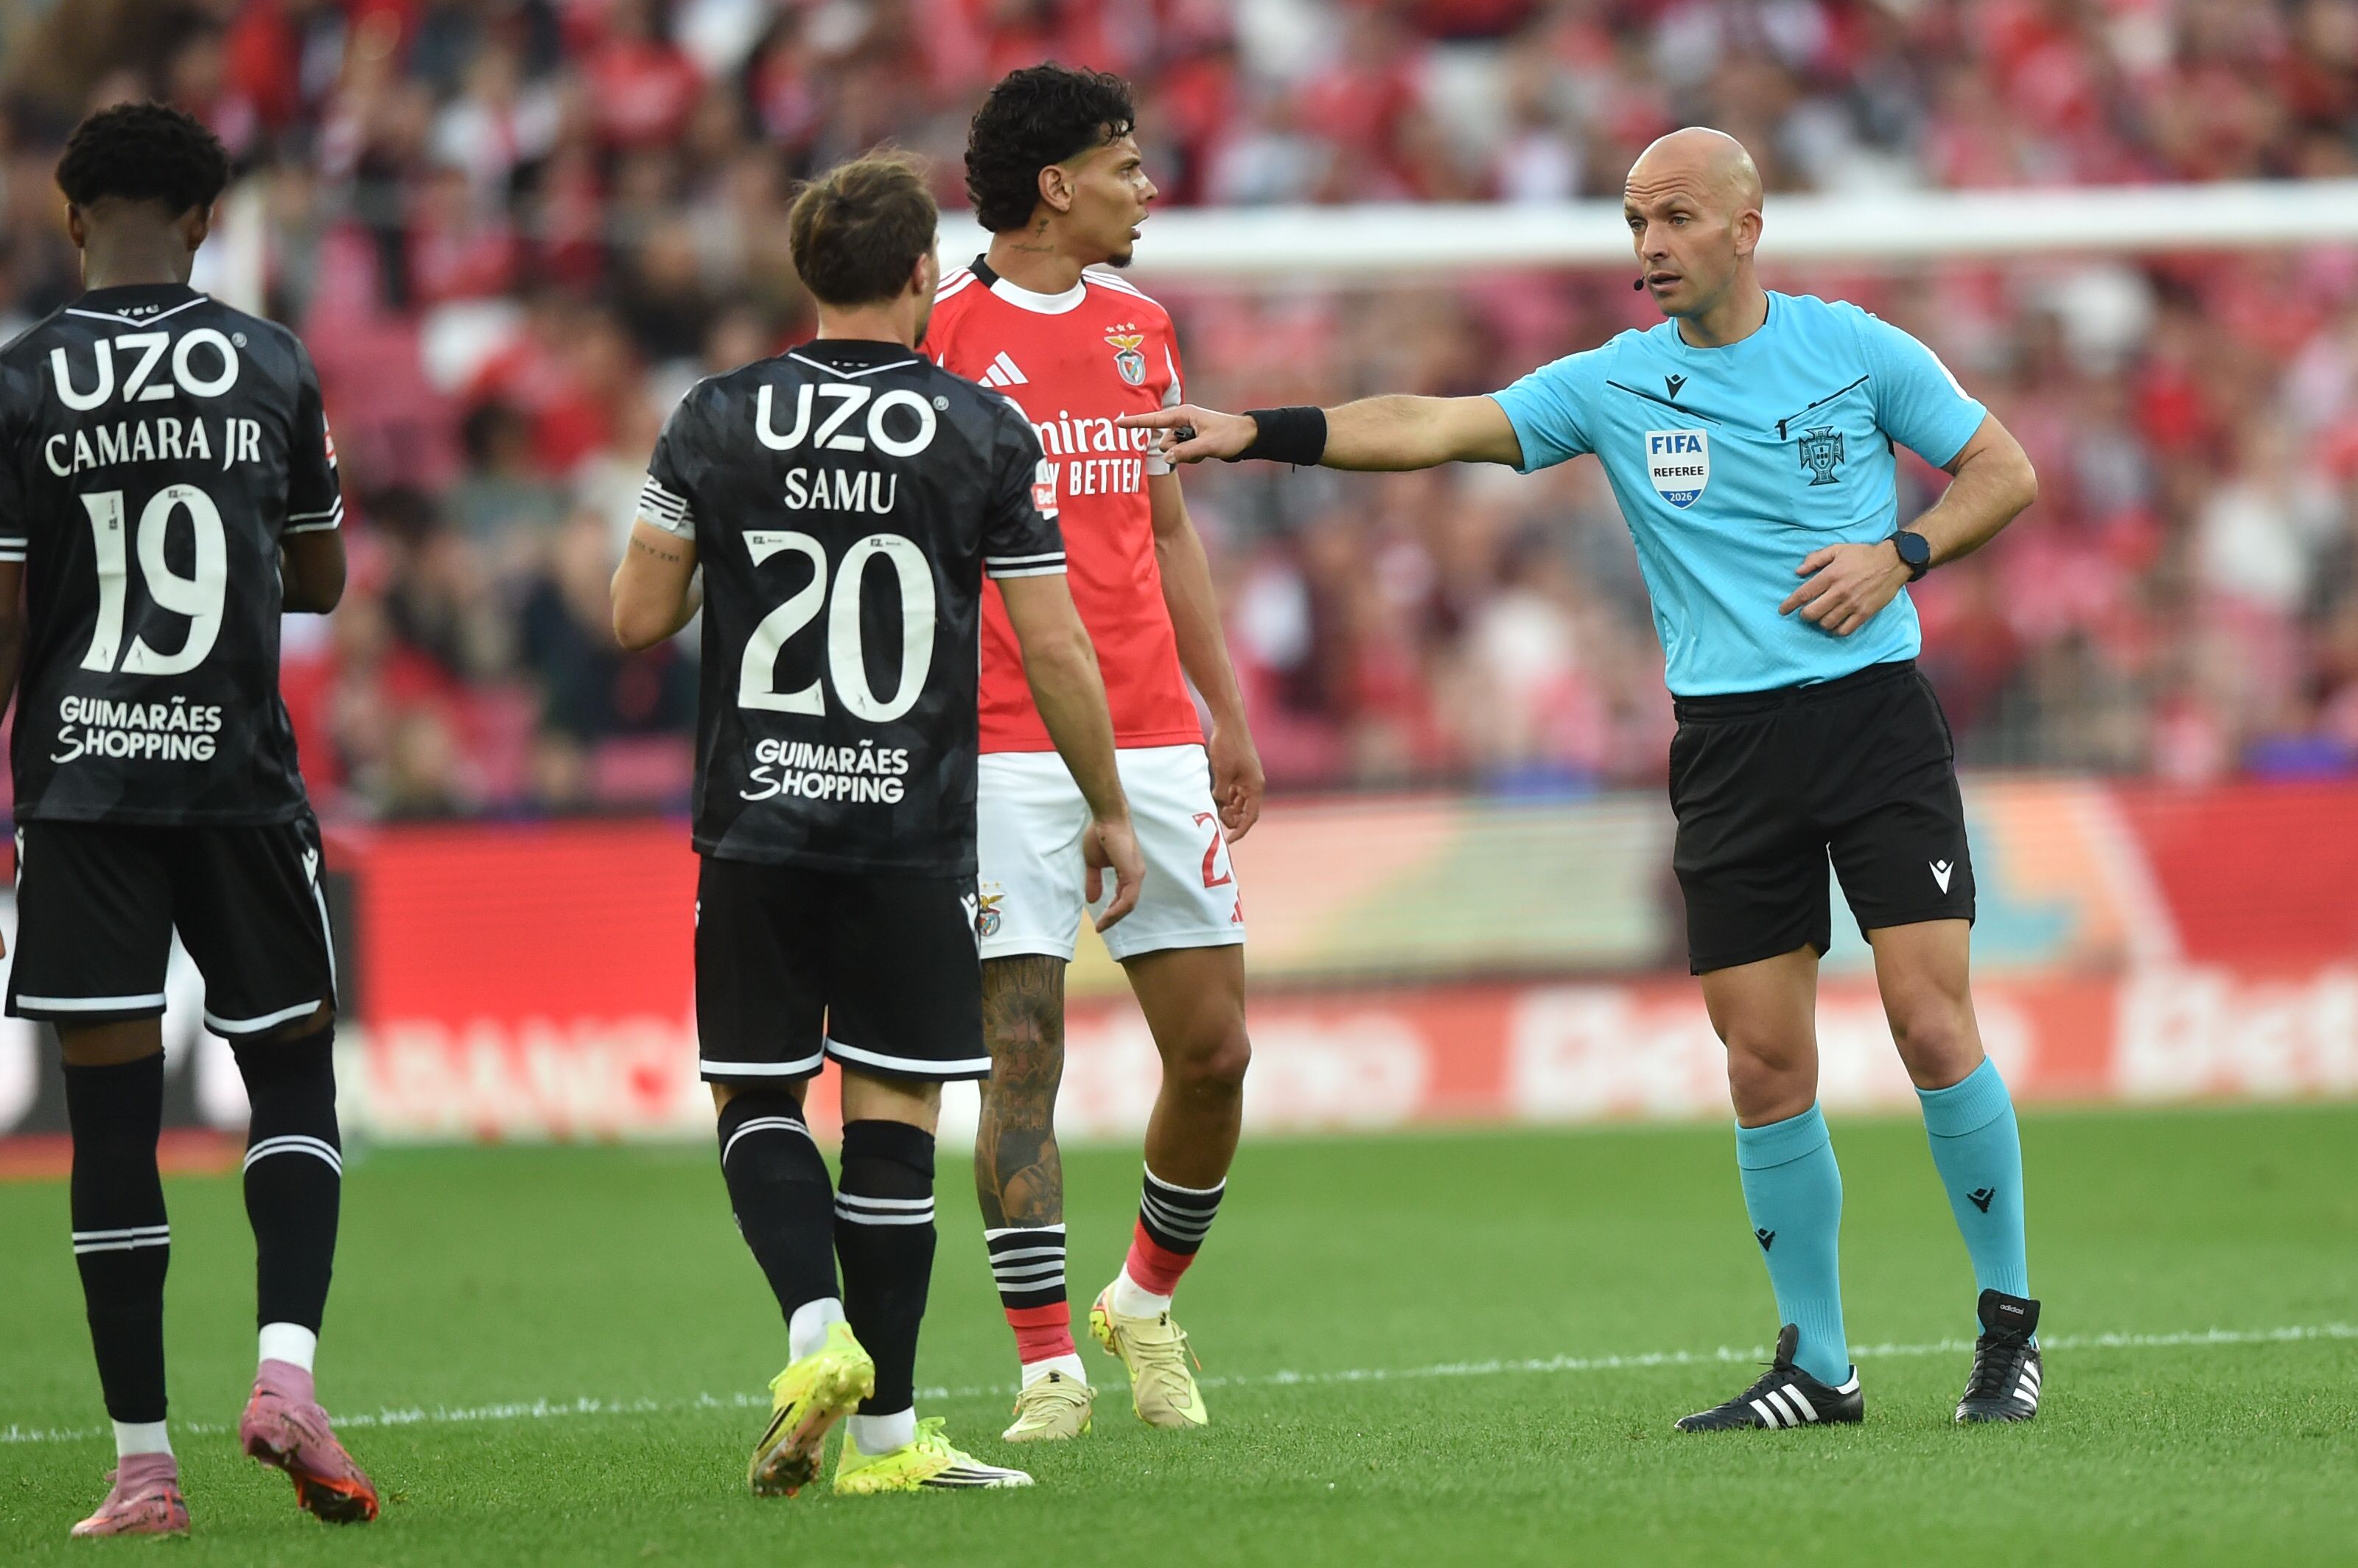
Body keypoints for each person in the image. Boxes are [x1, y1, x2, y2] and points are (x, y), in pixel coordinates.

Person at [1124, 127, 2048, 1431]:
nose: (1650, 246)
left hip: (1870, 720)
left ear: (1746, 225)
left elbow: (2005, 470)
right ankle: (1820, 1365)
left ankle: (2008, 1332)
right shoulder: (1617, 384)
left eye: (1673, 218)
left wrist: (1901, 552)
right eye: (1632, 223)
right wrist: (1255, 429)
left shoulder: (1858, 349)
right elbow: (1434, 426)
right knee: (1764, 1061)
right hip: (1727, 745)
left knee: (1929, 1020)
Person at [609, 150, 1144, 1496]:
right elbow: (1056, 644)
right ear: (921, 273)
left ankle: (811, 1335)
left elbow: (634, 615)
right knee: (895, 1108)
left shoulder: (716, 418)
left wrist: (731, 551)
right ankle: (891, 1443)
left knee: (757, 1092)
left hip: (757, 823)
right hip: (909, 828)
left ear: (804, 272)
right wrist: (1112, 806)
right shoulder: (979, 432)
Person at [0, 102, 375, 1536]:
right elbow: (325, 579)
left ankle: (142, 1464)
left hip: (85, 786)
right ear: (212, 219)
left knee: (111, 1114)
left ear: (70, 214)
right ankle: (286, 1371)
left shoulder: (23, 378)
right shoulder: (270, 361)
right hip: (236, 777)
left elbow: (7, 610)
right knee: (288, 1071)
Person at [928, 63, 1262, 1443]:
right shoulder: (939, 334)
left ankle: (1144, 1300)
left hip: (1155, 732)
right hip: (1004, 744)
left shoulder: (1140, 327)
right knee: (1022, 1057)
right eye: (1127, 166)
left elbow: (1167, 531)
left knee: (1217, 1051)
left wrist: (1223, 707)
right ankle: (1047, 1363)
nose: (1150, 189)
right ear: (1056, 184)